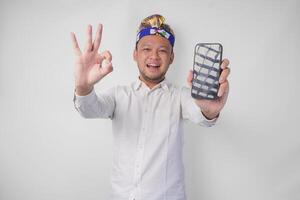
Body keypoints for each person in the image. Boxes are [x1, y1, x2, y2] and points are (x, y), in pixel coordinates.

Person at [71, 14, 230, 200]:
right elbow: (89, 108)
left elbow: (200, 113)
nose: (154, 56)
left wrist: (209, 110)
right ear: (135, 54)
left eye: (162, 51)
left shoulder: (181, 97)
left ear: (172, 57)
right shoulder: (118, 95)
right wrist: (83, 86)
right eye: (146, 48)